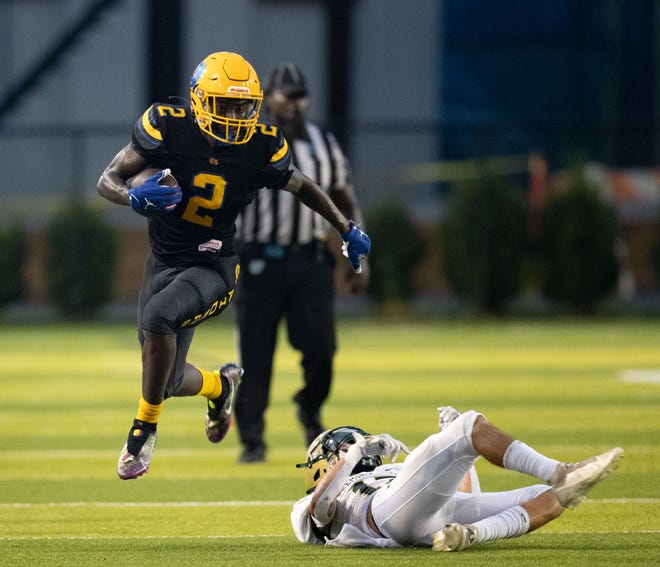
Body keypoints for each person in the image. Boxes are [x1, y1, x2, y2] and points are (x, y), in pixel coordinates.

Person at [96, 51, 371, 481]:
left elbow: (303, 186)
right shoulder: (167, 125)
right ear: (200, 99)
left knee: (157, 318)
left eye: (244, 106)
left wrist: (346, 227)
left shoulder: (260, 144)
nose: (236, 115)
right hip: (163, 261)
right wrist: (131, 197)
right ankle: (220, 385)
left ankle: (143, 432)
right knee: (164, 380)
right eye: (225, 104)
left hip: (214, 265)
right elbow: (107, 179)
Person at [234, 62, 368, 463]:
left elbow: (345, 197)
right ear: (269, 99)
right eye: (287, 95)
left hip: (310, 261)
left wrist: (358, 252)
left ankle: (309, 408)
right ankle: (253, 440)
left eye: (300, 95)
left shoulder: (323, 144)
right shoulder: (245, 141)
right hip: (259, 260)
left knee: (322, 348)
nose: (295, 103)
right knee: (255, 355)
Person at [291, 406, 623, 551]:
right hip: (382, 513)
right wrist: (355, 453)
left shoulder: (386, 470)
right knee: (470, 425)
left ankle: (473, 535)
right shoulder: (311, 504)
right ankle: (560, 471)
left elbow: (462, 495)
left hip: (432, 518)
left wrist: (460, 452)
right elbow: (321, 506)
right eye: (348, 446)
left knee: (548, 495)